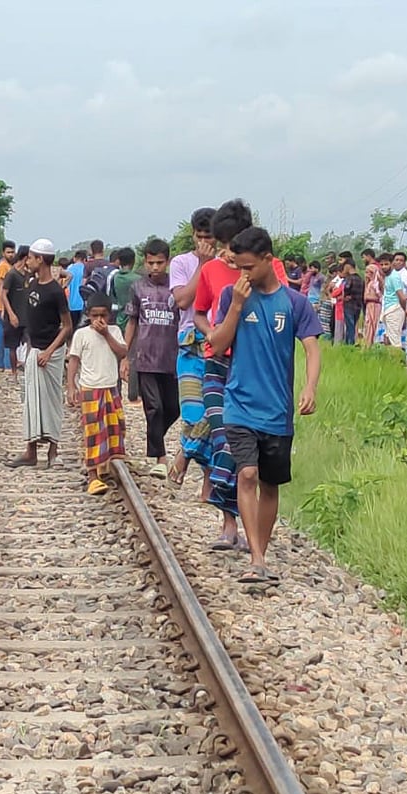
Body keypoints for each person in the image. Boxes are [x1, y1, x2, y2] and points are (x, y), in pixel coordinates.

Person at [210, 227, 321, 585]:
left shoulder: (295, 303)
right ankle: (256, 558)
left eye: (249, 267)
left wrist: (310, 387)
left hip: (277, 410)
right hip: (239, 403)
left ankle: (261, 552)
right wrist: (238, 306)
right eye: (238, 267)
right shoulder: (231, 296)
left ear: (267, 260)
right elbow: (217, 343)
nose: (243, 274)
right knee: (247, 474)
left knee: (270, 485)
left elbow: (312, 348)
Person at [194, 199, 289, 553]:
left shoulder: (269, 267)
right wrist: (213, 332)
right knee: (226, 444)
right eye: (223, 245)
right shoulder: (212, 271)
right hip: (219, 364)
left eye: (233, 244)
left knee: (253, 461)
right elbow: (200, 312)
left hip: (256, 372)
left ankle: (254, 535)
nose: (227, 254)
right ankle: (229, 523)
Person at [9, 238, 73, 468]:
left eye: (32, 257)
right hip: (34, 350)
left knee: (53, 402)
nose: (28, 261)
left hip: (50, 354)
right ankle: (31, 451)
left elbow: (67, 326)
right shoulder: (32, 284)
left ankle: (53, 452)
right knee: (31, 402)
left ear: (41, 260)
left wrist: (49, 351)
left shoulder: (55, 291)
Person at [169, 207, 219, 494]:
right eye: (200, 237)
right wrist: (203, 265)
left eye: (209, 237)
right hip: (190, 346)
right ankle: (199, 471)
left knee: (214, 414)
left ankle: (186, 458)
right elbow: (183, 301)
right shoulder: (181, 263)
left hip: (219, 345)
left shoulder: (230, 264)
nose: (205, 243)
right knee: (193, 412)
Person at [124, 239, 181, 478]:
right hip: (145, 358)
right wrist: (125, 355)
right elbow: (132, 321)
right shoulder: (138, 288)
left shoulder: (177, 287)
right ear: (145, 262)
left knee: (173, 408)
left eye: (159, 262)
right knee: (154, 407)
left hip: (172, 358)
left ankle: (154, 438)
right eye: (150, 263)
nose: (155, 267)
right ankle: (160, 457)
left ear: (167, 262)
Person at [66, 294, 128, 495]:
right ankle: (93, 475)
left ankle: (107, 466)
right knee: (93, 432)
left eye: (103, 315)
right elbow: (73, 360)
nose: (99, 319)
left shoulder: (115, 331)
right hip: (90, 388)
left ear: (110, 315)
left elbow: (122, 352)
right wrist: (71, 387)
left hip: (110, 387)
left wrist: (106, 335)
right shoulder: (81, 335)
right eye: (95, 315)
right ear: (88, 315)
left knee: (114, 428)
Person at [107, 247, 143, 403]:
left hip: (119, 318)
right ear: (134, 261)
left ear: (119, 261)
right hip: (134, 320)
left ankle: (117, 391)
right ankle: (133, 393)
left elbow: (112, 297)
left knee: (117, 355)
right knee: (132, 355)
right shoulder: (138, 279)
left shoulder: (115, 278)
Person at [0, 246, 31, 380]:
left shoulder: (28, 275)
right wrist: (10, 313)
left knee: (30, 341)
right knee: (12, 345)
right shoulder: (11, 274)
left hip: (26, 316)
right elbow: (3, 294)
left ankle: (29, 370)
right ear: (25, 258)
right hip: (13, 315)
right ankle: (14, 373)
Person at [0, 240, 17, 370]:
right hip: (2, 305)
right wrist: (3, 308)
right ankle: (3, 363)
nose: (11, 254)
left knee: (4, 332)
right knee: (4, 333)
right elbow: (2, 287)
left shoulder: (9, 266)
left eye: (13, 252)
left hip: (6, 305)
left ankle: (3, 363)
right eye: (8, 252)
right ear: (3, 253)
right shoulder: (3, 266)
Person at [379, 252, 407, 350]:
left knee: (395, 340)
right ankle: (389, 360)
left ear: (392, 264)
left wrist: (405, 310)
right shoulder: (387, 276)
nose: (383, 267)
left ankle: (397, 361)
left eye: (386, 264)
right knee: (388, 337)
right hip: (388, 309)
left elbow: (401, 296)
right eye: (381, 264)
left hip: (394, 309)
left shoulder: (394, 277)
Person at [361, 249, 382, 348]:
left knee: (373, 323)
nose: (367, 275)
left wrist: (368, 297)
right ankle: (367, 343)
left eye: (369, 272)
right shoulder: (370, 283)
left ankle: (371, 343)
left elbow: (378, 296)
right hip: (369, 305)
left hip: (374, 305)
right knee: (368, 323)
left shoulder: (375, 284)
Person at [64, 249, 87, 329]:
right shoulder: (85, 270)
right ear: (84, 259)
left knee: (72, 329)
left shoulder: (69, 270)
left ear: (74, 258)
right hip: (82, 304)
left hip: (71, 304)